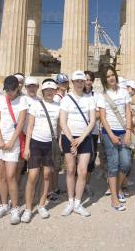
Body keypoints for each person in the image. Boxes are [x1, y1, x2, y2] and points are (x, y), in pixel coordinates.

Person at [22, 79, 61, 222]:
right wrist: (26, 147)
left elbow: (59, 127)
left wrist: (60, 143)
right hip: (35, 143)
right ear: (43, 92)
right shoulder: (36, 105)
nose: (49, 92)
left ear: (55, 91)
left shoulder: (58, 107)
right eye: (47, 90)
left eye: (52, 90)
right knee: (32, 176)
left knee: (46, 175)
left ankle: (41, 204)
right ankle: (27, 208)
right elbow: (30, 127)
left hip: (50, 145)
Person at [58, 70, 96, 217]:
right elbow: (62, 121)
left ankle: (78, 203)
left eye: (82, 81)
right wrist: (72, 140)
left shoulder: (89, 99)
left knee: (83, 171)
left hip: (84, 137)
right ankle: (70, 201)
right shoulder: (66, 99)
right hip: (69, 137)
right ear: (73, 83)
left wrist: (80, 139)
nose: (80, 83)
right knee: (71, 170)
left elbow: (92, 121)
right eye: (77, 81)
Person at [0, 76, 27, 225]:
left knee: (11, 176)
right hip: (0, 142)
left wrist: (12, 142)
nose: (10, 93)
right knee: (1, 176)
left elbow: (20, 124)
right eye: (7, 90)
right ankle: (4, 204)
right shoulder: (1, 99)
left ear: (17, 88)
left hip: (13, 141)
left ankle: (15, 208)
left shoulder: (23, 101)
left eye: (12, 90)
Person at [97, 66, 132, 211]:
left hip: (124, 131)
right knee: (113, 164)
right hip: (109, 133)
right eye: (107, 76)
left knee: (126, 163)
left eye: (112, 75)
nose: (111, 78)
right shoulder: (102, 95)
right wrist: (111, 135)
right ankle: (114, 199)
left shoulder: (124, 92)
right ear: (104, 80)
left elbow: (128, 112)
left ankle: (117, 189)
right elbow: (103, 118)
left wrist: (128, 131)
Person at [48, 72, 69, 201]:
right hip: (55, 135)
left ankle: (55, 188)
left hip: (59, 134)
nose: (64, 85)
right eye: (61, 83)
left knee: (56, 165)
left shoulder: (63, 96)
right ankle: (50, 191)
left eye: (65, 82)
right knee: (52, 165)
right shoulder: (57, 98)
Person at [84, 70, 100, 196]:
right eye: (85, 79)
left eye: (89, 79)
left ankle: (86, 184)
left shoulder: (97, 96)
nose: (87, 82)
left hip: (92, 132)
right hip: (77, 132)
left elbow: (100, 114)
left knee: (90, 160)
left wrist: (91, 116)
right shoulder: (74, 95)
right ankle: (76, 185)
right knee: (76, 161)